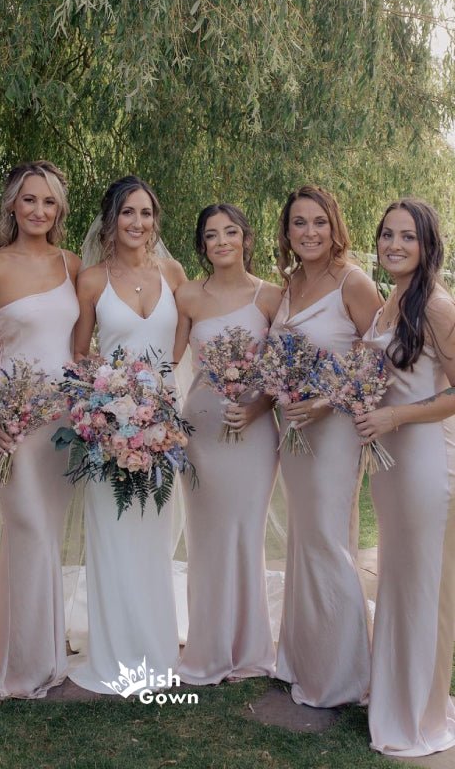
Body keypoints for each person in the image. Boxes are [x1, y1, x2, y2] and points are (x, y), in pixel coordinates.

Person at [0, 161, 80, 698]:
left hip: (63, 424)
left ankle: (43, 654)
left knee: (44, 535)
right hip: (9, 421)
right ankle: (18, 667)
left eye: (49, 201)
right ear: (12, 203)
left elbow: (78, 347)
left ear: (59, 209)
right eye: (29, 199)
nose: (39, 210)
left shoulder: (72, 264)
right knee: (27, 528)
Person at [69, 175, 187, 693]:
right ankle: (115, 654)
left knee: (154, 538)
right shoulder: (92, 280)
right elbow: (79, 354)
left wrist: (161, 400)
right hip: (109, 428)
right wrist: (107, 405)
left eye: (146, 212)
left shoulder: (174, 273)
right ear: (110, 219)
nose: (138, 223)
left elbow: (184, 342)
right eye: (128, 213)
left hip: (162, 427)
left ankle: (156, 651)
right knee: (113, 535)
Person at [271, 184, 382, 707]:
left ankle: (344, 676)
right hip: (293, 430)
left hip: (334, 429)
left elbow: (378, 358)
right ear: (287, 231)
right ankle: (303, 660)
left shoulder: (353, 282)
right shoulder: (290, 281)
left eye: (319, 222)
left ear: (334, 226)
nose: (309, 232)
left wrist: (324, 401)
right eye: (299, 222)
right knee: (304, 540)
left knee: (328, 541)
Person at [354, 199, 455, 757]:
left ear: (427, 245)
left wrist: (394, 417)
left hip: (424, 459)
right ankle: (394, 694)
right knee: (398, 576)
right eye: (387, 234)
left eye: (408, 237)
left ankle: (419, 714)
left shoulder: (437, 305)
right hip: (390, 464)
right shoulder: (392, 298)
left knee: (423, 584)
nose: (394, 245)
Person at [173, 203, 282, 684]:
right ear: (202, 244)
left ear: (246, 238)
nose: (222, 241)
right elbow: (167, 359)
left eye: (230, 232)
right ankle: (208, 647)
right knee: (207, 538)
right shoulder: (187, 296)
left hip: (254, 433)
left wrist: (257, 407)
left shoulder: (271, 297)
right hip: (201, 431)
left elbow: (283, 370)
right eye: (212, 234)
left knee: (245, 534)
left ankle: (249, 650)